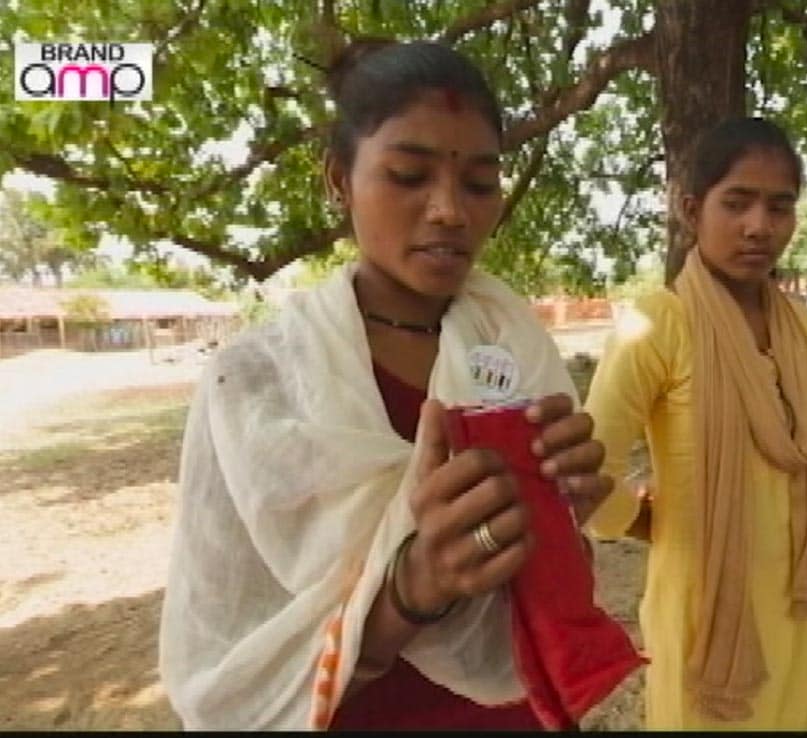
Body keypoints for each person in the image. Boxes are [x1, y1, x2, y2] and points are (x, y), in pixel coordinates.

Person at [158, 39, 620, 730]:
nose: (450, 212)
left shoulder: (511, 344)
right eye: (409, 175)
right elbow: (235, 643)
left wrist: (560, 512)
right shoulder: (258, 384)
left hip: (517, 710)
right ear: (339, 181)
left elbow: (541, 580)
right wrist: (411, 587)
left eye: (479, 183)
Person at [583, 116, 807, 730]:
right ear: (690, 209)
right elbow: (591, 471)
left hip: (803, 609)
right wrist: (646, 519)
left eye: (779, 207)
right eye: (737, 203)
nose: (760, 226)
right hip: (708, 613)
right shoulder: (659, 325)